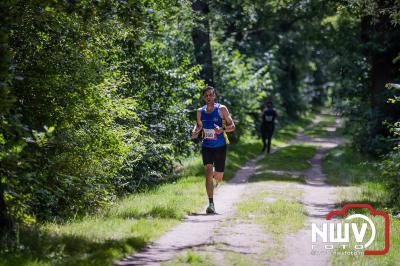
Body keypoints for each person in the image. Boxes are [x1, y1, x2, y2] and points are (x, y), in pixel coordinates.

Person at [192, 86, 235, 214]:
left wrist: (222, 130)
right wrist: (195, 131)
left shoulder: (221, 109)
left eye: (211, 95)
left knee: (218, 177)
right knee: (208, 172)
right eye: (206, 95)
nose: (209, 97)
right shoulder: (200, 111)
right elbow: (198, 125)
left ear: (214, 96)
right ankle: (211, 204)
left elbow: (232, 126)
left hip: (220, 146)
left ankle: (217, 178)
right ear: (203, 97)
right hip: (207, 146)